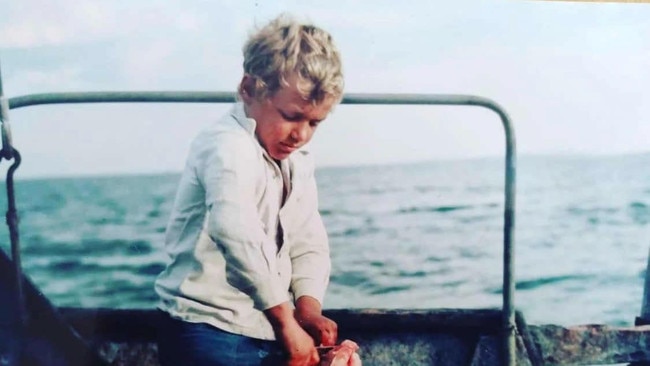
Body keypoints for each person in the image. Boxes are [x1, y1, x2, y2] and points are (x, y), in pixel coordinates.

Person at [154, 14, 360, 366]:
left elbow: (308, 238)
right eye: (291, 116)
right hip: (205, 328)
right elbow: (234, 230)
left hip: (265, 326)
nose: (302, 134)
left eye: (315, 122)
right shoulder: (226, 145)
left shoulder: (297, 160)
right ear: (249, 89)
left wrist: (307, 309)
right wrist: (285, 322)